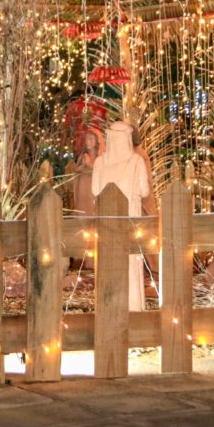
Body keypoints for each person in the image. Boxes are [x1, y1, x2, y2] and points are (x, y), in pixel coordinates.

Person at [91, 121, 151, 311]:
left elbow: (95, 190)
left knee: (107, 260)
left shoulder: (100, 162)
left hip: (106, 220)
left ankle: (108, 305)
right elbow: (144, 190)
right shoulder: (136, 161)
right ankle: (133, 306)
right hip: (129, 218)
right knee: (130, 262)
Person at [71, 126, 103, 215]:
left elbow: (102, 172)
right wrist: (81, 167)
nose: (88, 141)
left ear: (97, 140)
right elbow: (76, 172)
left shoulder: (101, 157)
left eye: (91, 139)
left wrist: (89, 165)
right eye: (86, 139)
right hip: (83, 190)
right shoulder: (83, 156)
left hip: (94, 191)